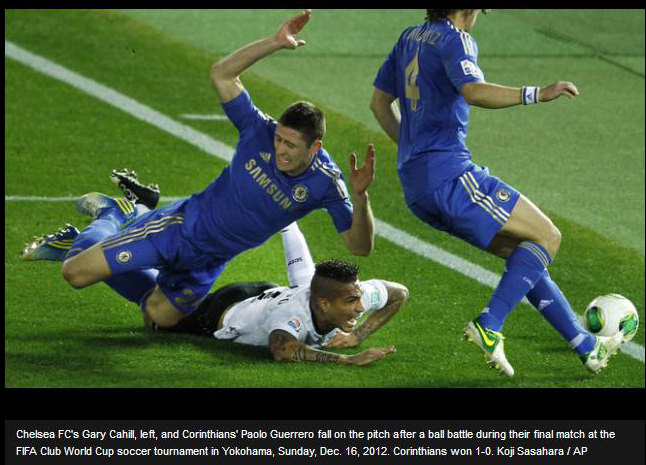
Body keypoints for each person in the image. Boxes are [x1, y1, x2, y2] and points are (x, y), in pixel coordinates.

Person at [20, 10, 376, 332]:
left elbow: (358, 246)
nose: (280, 150)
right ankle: (114, 214)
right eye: (279, 140)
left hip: (210, 260)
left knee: (157, 319)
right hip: (177, 229)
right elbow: (222, 73)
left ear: (314, 147)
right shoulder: (258, 131)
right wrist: (273, 43)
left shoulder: (326, 183)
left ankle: (118, 234)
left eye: (290, 145)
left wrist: (361, 198)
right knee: (76, 273)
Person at [370, 9, 625, 375]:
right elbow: (473, 91)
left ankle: (586, 346)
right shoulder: (454, 39)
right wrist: (537, 93)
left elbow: (378, 104)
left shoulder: (410, 36)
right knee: (547, 237)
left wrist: (413, 154)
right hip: (451, 177)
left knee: (525, 254)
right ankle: (490, 324)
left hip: (417, 187)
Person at [159, 222, 408, 365]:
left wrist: (358, 335)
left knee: (305, 280)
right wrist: (346, 359)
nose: (361, 307)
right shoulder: (291, 316)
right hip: (226, 309)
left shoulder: (347, 292)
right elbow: (282, 350)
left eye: (358, 299)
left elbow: (400, 293)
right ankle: (140, 220)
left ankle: (287, 221)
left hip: (274, 293)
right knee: (156, 317)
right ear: (325, 303)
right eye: (352, 302)